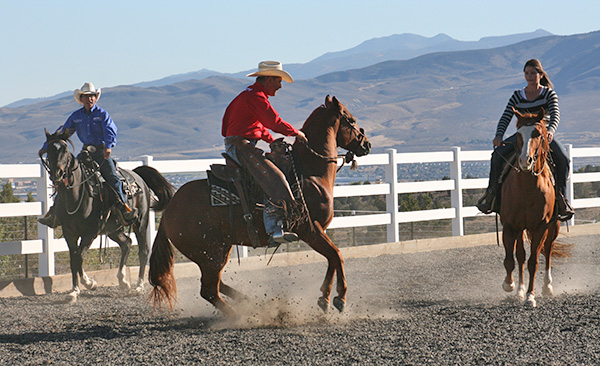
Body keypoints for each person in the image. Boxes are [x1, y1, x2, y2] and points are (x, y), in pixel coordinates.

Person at [476, 59, 574, 221]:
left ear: (540, 75)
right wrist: (499, 135)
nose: (529, 76)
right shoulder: (517, 95)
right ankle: (491, 194)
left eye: (533, 73)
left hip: (542, 135)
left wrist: (550, 131)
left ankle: (561, 198)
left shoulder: (549, 93)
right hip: (522, 133)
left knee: (563, 158)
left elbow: (555, 115)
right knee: (497, 155)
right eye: (527, 73)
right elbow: (506, 117)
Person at [222, 61, 307, 245]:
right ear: (269, 79)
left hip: (241, 144)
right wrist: (296, 133)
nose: (280, 85)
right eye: (278, 81)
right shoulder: (256, 97)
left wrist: (271, 141)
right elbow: (273, 121)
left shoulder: (250, 95)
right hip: (241, 146)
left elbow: (258, 126)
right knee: (274, 177)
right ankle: (275, 230)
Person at [38, 82, 137, 228]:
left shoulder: (102, 114)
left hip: (101, 152)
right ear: (81, 99)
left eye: (92, 96)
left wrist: (108, 146)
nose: (90, 99)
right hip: (85, 152)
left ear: (96, 98)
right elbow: (62, 132)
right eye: (87, 96)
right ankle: (55, 213)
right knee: (67, 176)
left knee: (111, 176)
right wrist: (45, 147)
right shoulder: (76, 116)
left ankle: (124, 208)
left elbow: (110, 130)